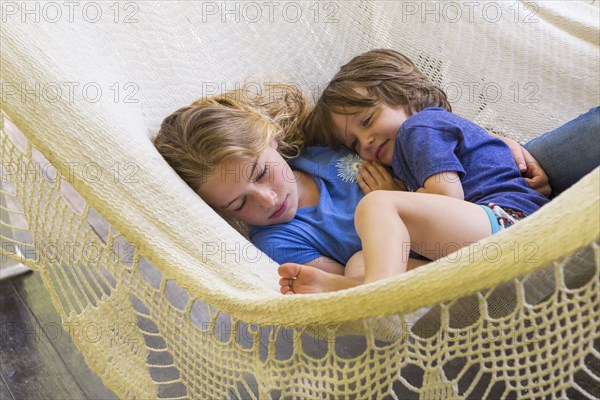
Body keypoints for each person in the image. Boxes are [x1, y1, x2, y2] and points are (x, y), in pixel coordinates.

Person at [278, 48, 559, 293]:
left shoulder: (419, 129)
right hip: (480, 246)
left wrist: (392, 197)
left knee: (376, 204)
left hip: (511, 222)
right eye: (353, 143)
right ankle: (366, 288)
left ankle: (375, 296)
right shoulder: (407, 153)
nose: (366, 142)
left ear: (410, 96)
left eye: (367, 120)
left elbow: (447, 197)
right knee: (359, 262)